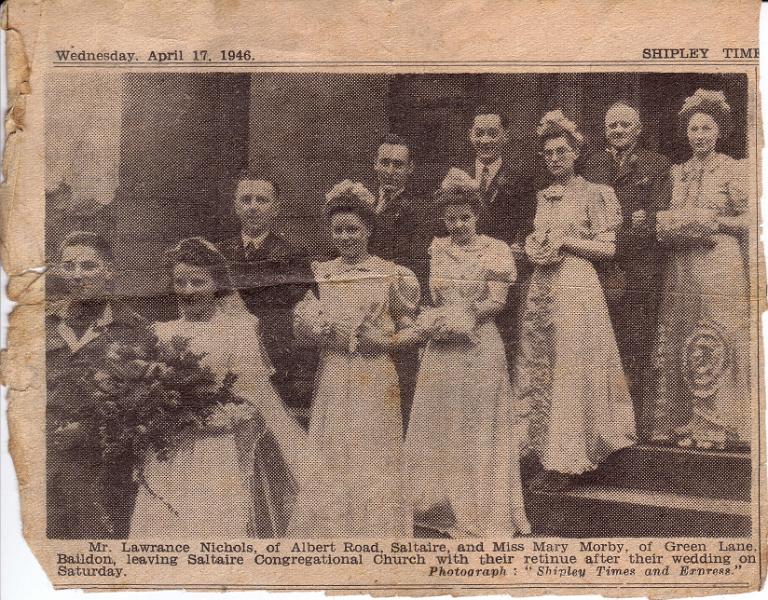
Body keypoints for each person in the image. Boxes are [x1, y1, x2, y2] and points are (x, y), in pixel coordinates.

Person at [129, 237, 306, 538]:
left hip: (215, 450)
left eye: (197, 282)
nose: (188, 291)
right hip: (167, 451)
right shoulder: (162, 332)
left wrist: (211, 419)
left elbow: (252, 401)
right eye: (180, 283)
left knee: (211, 529)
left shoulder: (238, 330)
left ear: (216, 284)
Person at [287, 181, 420, 537]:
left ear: (369, 229)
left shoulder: (391, 273)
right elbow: (304, 329)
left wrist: (387, 341)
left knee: (373, 451)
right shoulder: (322, 273)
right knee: (333, 449)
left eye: (353, 229)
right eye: (338, 230)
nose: (346, 237)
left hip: (374, 373)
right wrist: (317, 328)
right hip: (333, 372)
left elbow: (414, 328)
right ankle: (334, 531)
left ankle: (375, 532)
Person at [516, 111, 636, 492]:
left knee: (571, 365)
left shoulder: (595, 193)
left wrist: (565, 243)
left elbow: (608, 247)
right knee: (542, 362)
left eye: (561, 151)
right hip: (544, 284)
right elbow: (539, 239)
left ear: (575, 153)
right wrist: (533, 250)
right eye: (548, 153)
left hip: (578, 285)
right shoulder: (543, 197)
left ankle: (567, 458)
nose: (554, 158)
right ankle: (541, 452)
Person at [405, 182, 531, 538]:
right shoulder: (438, 248)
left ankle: (480, 508)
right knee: (442, 420)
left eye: (465, 218)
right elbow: (434, 298)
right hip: (442, 346)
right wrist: (436, 321)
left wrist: (465, 318)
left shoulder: (495, 250)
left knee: (476, 423)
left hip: (479, 342)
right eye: (451, 219)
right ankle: (439, 501)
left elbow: (497, 301)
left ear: (477, 216)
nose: (459, 225)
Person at [645, 89, 750, 450]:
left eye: (706, 128)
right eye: (693, 129)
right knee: (683, 330)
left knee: (714, 331)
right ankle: (682, 421)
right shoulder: (678, 173)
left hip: (719, 261)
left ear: (719, 131)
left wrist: (712, 222)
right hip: (682, 263)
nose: (699, 135)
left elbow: (752, 220)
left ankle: (715, 423)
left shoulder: (734, 169)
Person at [46, 231, 150, 538]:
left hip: (103, 465)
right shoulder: (42, 324)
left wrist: (88, 430)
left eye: (88, 266)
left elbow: (138, 404)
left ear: (109, 270)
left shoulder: (134, 328)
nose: (77, 276)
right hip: (48, 457)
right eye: (69, 266)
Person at [581, 101, 672, 432]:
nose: (617, 131)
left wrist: (616, 235)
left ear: (638, 129)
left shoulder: (657, 165)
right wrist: (620, 230)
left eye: (624, 125)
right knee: (602, 347)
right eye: (612, 126)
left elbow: (657, 218)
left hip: (638, 270)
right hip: (598, 271)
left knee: (636, 346)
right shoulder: (592, 166)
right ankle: (605, 425)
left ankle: (637, 426)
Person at [445, 105, 537, 364]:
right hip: (464, 270)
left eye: (493, 134)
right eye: (479, 133)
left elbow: (529, 220)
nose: (485, 140)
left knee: (500, 342)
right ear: (470, 135)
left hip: (501, 270)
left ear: (505, 136)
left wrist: (519, 245)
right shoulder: (456, 175)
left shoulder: (521, 175)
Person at [218, 177, 316, 408]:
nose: (252, 206)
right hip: (228, 350)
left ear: (276, 208)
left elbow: (303, 310)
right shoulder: (218, 254)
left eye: (261, 200)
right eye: (246, 200)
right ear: (235, 206)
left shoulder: (292, 253)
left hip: (275, 354)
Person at [367, 133, 429, 428]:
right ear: (375, 164)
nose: (390, 171)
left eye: (398, 164)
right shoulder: (362, 202)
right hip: (363, 302)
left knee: (397, 382)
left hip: (397, 303)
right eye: (385, 163)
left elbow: (414, 264)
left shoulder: (418, 211)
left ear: (410, 168)